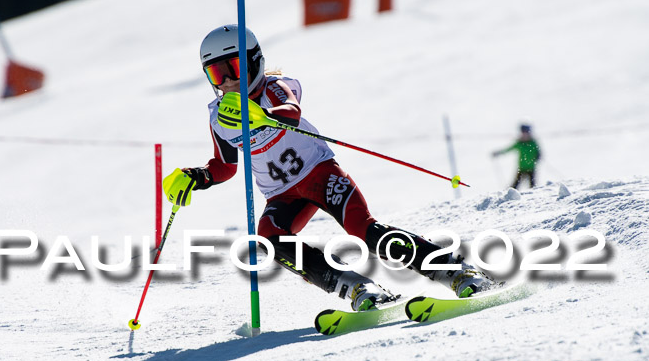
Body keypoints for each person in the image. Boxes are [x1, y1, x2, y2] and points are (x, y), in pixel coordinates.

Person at [165, 24, 493, 311]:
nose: (228, 82)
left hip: (321, 175)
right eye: (216, 74)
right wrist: (199, 177)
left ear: (254, 62)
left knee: (364, 231)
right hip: (283, 196)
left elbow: (291, 109)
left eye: (233, 68)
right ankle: (354, 286)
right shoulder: (219, 118)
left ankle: (455, 271)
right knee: (268, 240)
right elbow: (225, 166)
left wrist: (262, 115)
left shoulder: (274, 87)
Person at [492, 124, 542, 189]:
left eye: (526, 132)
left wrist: (538, 156)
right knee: (514, 186)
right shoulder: (519, 143)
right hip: (521, 168)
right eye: (523, 132)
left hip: (531, 168)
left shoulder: (533, 143)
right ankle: (509, 196)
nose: (525, 134)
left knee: (533, 187)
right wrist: (498, 153)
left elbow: (538, 152)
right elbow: (508, 149)